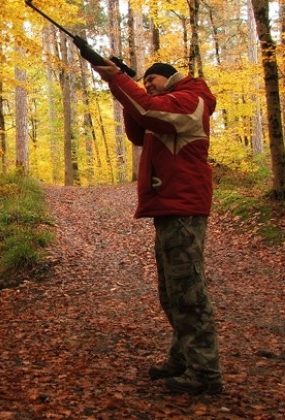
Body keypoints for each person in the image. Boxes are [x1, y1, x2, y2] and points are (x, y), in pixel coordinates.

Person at [93, 60, 223, 394]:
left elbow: (148, 110)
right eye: (146, 81)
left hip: (183, 209)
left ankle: (205, 374)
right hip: (170, 208)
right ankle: (182, 359)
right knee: (172, 293)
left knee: (189, 294)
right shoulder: (166, 105)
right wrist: (118, 84)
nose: (148, 85)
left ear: (171, 77)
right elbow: (138, 129)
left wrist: (119, 79)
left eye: (153, 79)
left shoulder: (189, 100)